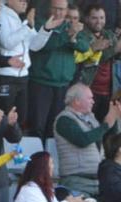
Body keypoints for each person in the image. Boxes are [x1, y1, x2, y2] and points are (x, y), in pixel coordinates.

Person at [28, 0, 89, 141]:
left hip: (63, 84)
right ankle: (37, 160)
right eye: (55, 8)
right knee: (37, 126)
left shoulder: (70, 26)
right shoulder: (41, 24)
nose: (58, 12)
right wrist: (67, 36)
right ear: (49, 8)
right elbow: (43, 46)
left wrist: (73, 38)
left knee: (55, 127)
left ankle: (49, 161)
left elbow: (85, 46)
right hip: (41, 82)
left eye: (62, 9)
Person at [54, 84, 121, 200]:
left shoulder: (91, 119)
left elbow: (107, 141)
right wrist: (106, 125)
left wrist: (114, 118)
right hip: (76, 182)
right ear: (77, 101)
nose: (93, 102)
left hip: (97, 182)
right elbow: (82, 140)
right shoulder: (64, 120)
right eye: (90, 98)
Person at [0, 0, 37, 124]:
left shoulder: (24, 19)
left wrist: (47, 29)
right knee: (3, 117)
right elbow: (7, 42)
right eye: (21, 0)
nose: (24, 3)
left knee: (20, 119)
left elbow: (36, 45)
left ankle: (16, 143)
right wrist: (27, 27)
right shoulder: (1, 15)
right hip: (4, 75)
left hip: (22, 76)